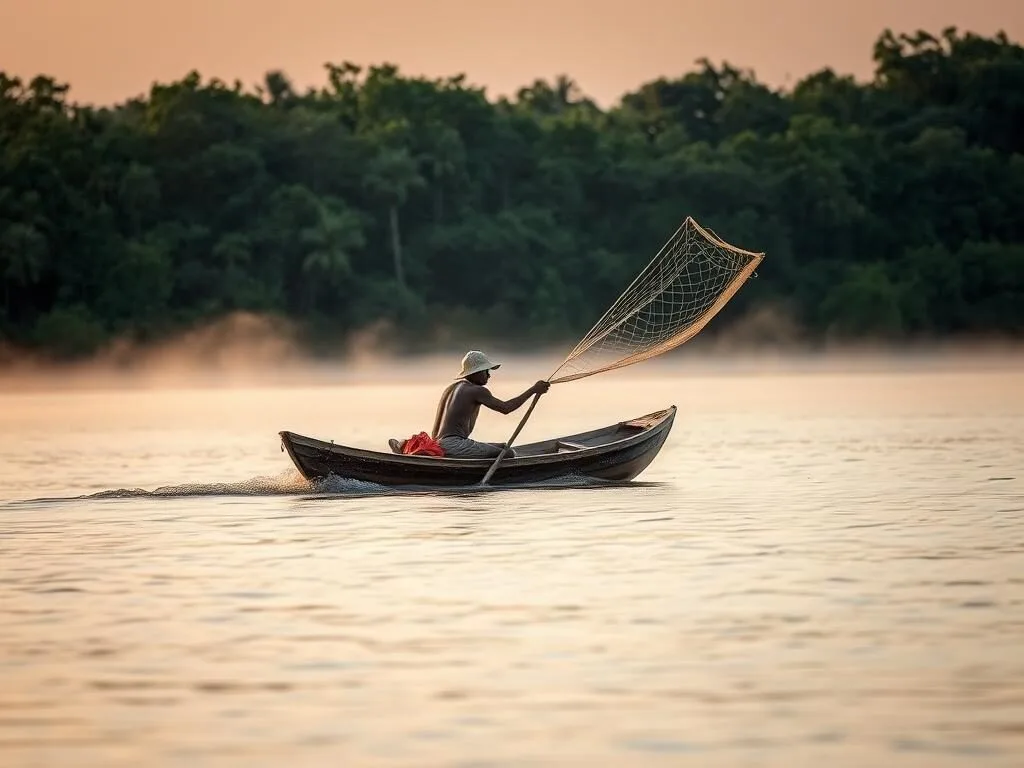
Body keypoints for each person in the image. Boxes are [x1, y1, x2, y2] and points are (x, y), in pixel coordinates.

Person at [389, 351, 550, 458]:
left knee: (504, 446)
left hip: (438, 442)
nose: (489, 375)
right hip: (452, 445)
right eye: (486, 371)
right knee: (508, 454)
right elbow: (506, 408)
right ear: (475, 372)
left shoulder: (451, 388)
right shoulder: (476, 390)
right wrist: (534, 390)